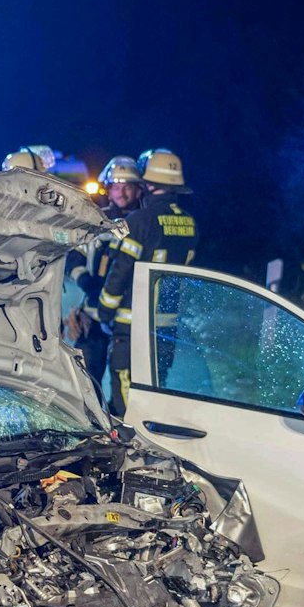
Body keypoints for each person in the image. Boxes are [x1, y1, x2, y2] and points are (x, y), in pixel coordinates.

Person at [97, 148, 199, 410]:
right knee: (156, 386)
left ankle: (131, 445)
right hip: (167, 325)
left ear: (149, 184)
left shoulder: (140, 221)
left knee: (125, 392)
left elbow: (120, 271)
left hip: (131, 325)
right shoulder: (190, 224)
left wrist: (105, 310)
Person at [70, 155, 144, 407]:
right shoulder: (95, 220)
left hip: (126, 323)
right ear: (108, 190)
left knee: (125, 391)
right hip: (91, 320)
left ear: (138, 189)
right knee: (85, 386)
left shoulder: (143, 224)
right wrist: (86, 282)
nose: (121, 193)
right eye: (116, 186)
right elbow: (73, 258)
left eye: (127, 186)